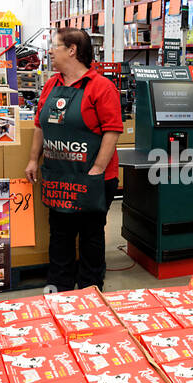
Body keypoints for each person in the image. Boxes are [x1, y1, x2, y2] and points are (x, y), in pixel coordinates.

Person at [25, 28, 123, 291]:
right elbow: (39, 126)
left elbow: (112, 131)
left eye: (55, 46)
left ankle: (91, 291)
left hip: (92, 178)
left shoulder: (102, 87)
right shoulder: (51, 85)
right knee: (60, 234)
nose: (50, 52)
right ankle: (59, 287)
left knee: (91, 236)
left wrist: (97, 169)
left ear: (72, 50)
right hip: (59, 176)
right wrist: (34, 160)